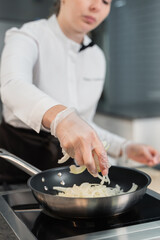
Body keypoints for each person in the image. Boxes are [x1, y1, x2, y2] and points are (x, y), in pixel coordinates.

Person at [0, 0, 159, 182]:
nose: (96, 7)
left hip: (65, 172)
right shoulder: (28, 35)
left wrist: (125, 147)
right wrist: (61, 118)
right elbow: (12, 85)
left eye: (106, 2)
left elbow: (83, 123)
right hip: (17, 163)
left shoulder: (97, 57)